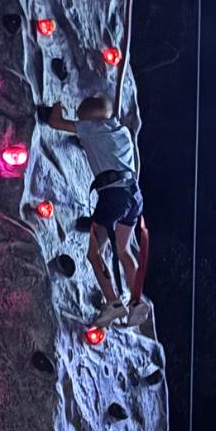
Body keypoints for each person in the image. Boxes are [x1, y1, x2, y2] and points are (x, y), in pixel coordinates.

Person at [47, 94, 149, 328]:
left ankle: (113, 303)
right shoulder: (122, 131)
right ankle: (136, 301)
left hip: (112, 196)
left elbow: (55, 122)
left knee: (95, 254)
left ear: (87, 116)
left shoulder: (91, 129)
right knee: (124, 250)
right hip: (134, 196)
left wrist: (57, 106)